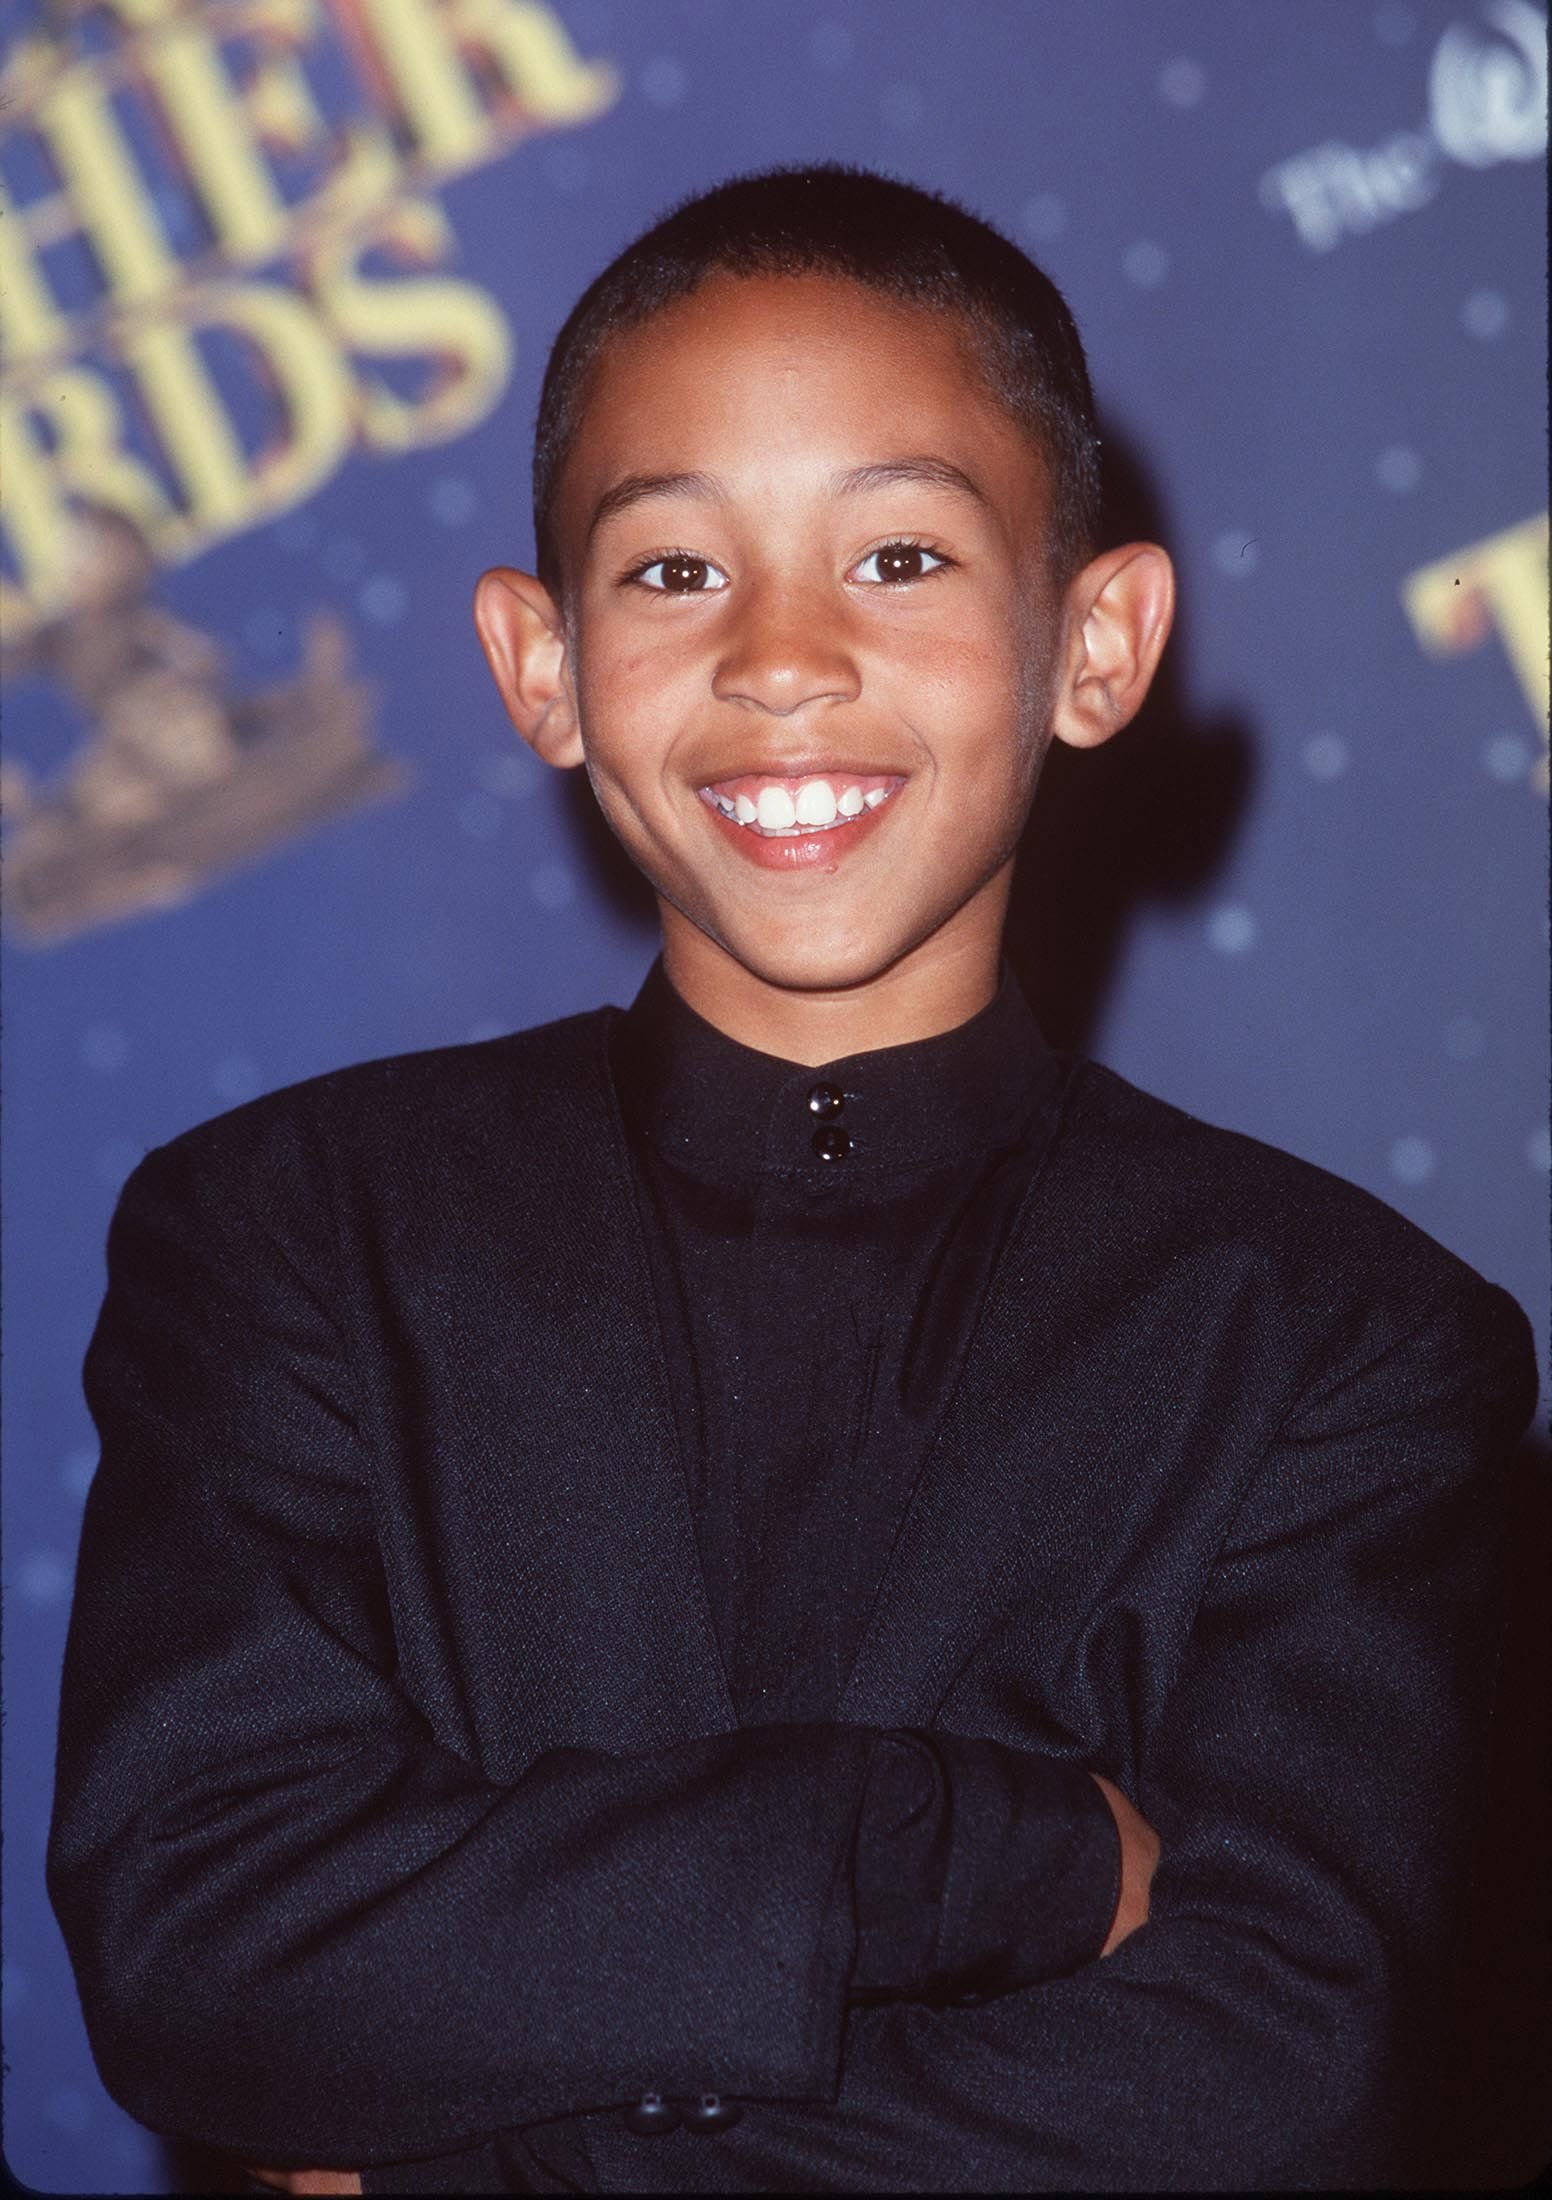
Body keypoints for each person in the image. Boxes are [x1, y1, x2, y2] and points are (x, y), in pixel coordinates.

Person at [49, 166, 1536, 2195]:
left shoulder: (1341, 1344)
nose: (779, 658)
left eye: (899, 553)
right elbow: (203, 1941)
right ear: (540, 661)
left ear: (1092, 642)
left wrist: (478, 2147)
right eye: (671, 574)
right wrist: (973, 1843)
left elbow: (1277, 2090)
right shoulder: (291, 1232)